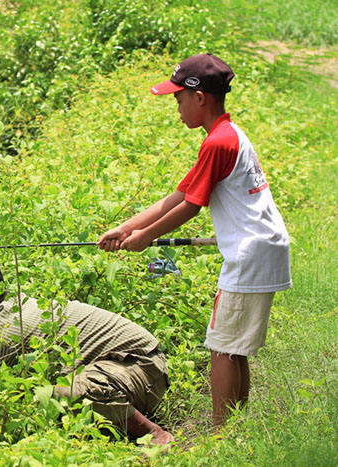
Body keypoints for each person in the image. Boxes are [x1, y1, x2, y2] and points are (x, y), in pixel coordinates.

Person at [97, 54, 292, 426]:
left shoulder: (217, 143)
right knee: (233, 348)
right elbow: (176, 197)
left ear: (199, 97)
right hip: (261, 248)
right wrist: (126, 228)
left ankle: (220, 435)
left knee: (221, 347)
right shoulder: (227, 135)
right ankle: (234, 427)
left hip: (249, 254)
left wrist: (145, 238)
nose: (177, 108)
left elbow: (191, 208)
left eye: (179, 99)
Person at [0, 258, 174, 445]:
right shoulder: (15, 305)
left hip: (141, 367)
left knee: (69, 394)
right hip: (135, 368)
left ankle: (153, 433)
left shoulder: (5, 330)